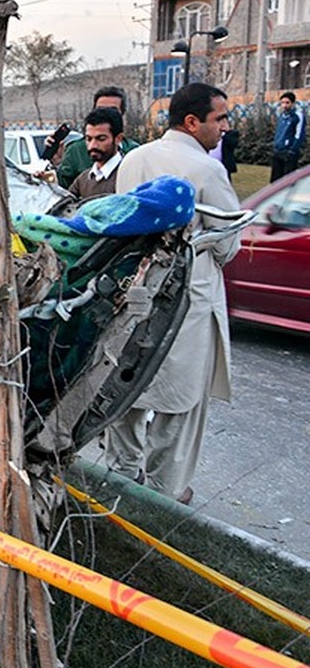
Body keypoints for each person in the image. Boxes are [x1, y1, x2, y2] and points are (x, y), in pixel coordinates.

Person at [103, 82, 241, 505]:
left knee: (124, 396)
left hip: (135, 296)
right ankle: (162, 499)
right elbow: (228, 244)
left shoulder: (132, 160)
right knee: (178, 411)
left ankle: (119, 485)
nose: (225, 127)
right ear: (193, 121)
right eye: (220, 118)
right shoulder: (207, 170)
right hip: (187, 303)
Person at [55, 86, 140, 189]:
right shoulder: (76, 151)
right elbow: (64, 190)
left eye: (101, 139)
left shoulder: (136, 153)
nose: (93, 145)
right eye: (101, 110)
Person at [68, 106, 125, 202]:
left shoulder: (128, 174)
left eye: (101, 139)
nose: (93, 145)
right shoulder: (83, 179)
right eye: (89, 139)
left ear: (118, 139)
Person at [270, 91, 305, 183]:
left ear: (293, 103)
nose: (284, 105)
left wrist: (292, 150)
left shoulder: (298, 116)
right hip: (278, 150)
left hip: (289, 152)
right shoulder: (282, 116)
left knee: (288, 182)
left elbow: (299, 134)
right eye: (282, 103)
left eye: (287, 103)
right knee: (275, 181)